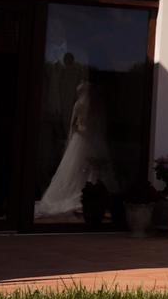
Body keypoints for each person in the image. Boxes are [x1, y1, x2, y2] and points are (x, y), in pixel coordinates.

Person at [34, 79, 117, 220]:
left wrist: (73, 136)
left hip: (82, 138)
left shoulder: (79, 104)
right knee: (81, 168)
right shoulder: (93, 105)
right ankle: (89, 195)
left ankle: (88, 195)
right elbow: (96, 124)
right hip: (88, 138)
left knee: (78, 168)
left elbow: (73, 124)